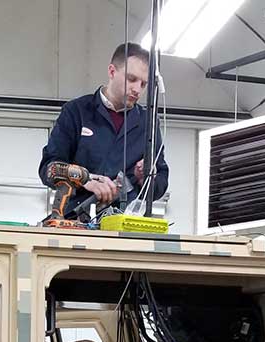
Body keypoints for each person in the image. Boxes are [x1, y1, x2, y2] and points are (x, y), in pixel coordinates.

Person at [39, 42, 169, 217]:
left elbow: (160, 183)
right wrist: (85, 180)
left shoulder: (149, 123)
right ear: (112, 71)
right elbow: (48, 168)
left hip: (125, 223)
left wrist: (145, 177)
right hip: (76, 220)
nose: (137, 89)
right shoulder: (76, 111)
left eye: (143, 84)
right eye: (131, 79)